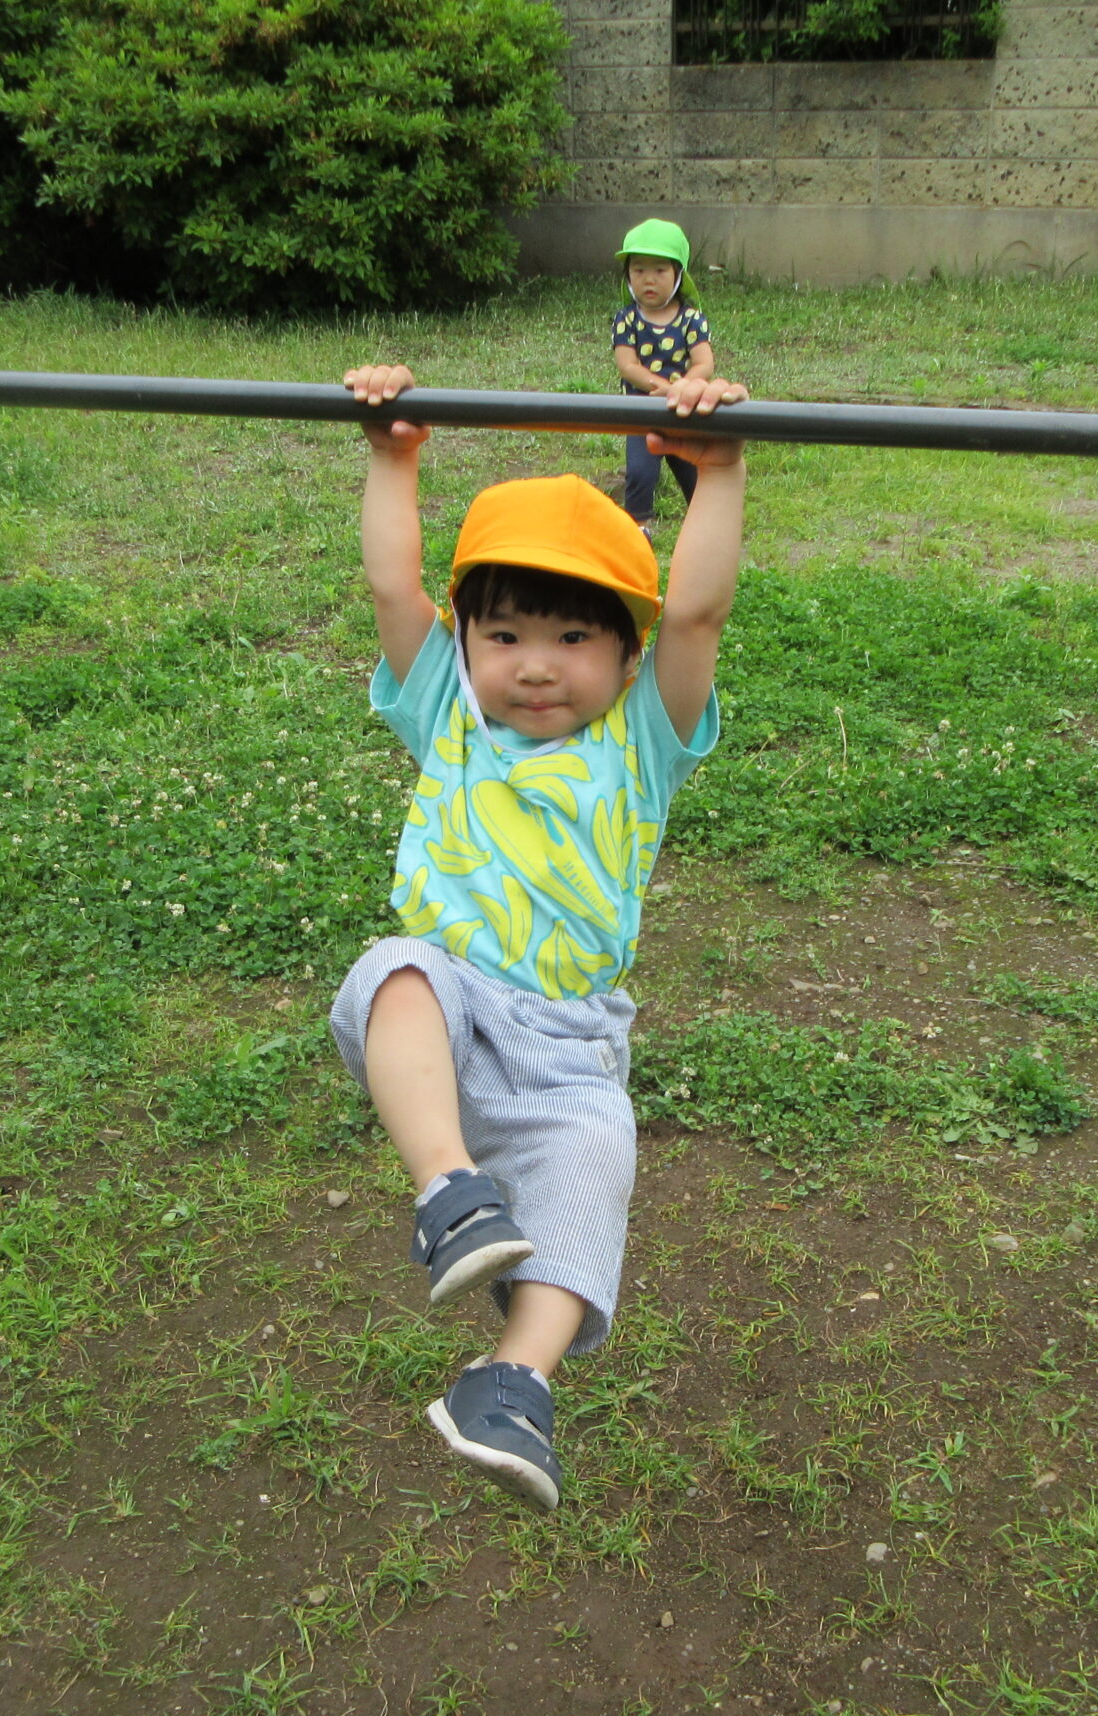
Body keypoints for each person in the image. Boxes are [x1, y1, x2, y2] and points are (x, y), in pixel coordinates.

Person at [331, 360, 747, 1511]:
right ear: (465, 642)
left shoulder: (641, 746)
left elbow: (698, 611)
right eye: (504, 632)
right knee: (396, 971)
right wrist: (391, 457)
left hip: (570, 1041)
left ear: (626, 656)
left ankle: (512, 1382)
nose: (533, 664)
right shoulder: (448, 715)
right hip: (454, 1007)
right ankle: (449, 1191)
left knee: (599, 1153)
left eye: (572, 636)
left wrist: (717, 475)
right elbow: (392, 585)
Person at [610, 218, 716, 539]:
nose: (649, 279)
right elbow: (628, 365)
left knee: (694, 471)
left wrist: (681, 389)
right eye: (639, 270)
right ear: (628, 275)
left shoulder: (691, 319)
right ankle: (638, 530)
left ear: (678, 274)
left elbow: (704, 363)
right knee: (641, 473)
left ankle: (706, 526)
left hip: (682, 410)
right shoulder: (627, 319)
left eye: (660, 270)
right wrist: (664, 388)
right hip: (641, 412)